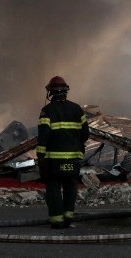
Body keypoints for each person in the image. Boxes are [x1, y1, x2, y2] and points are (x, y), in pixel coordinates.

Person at [36, 75, 89, 229]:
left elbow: (43, 135)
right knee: (70, 187)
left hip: (53, 160)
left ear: (50, 92)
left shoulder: (47, 111)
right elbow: (85, 135)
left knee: (53, 188)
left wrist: (41, 156)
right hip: (73, 159)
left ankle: (57, 221)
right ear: (66, 91)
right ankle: (67, 218)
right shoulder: (77, 109)